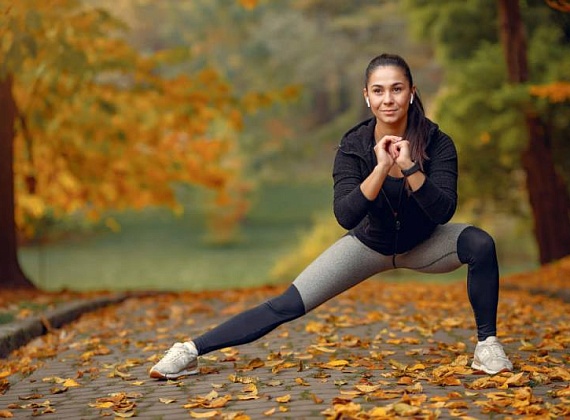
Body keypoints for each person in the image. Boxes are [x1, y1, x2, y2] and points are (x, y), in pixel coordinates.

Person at [149, 53, 513, 379]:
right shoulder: (353, 147)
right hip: (368, 244)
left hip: (426, 244)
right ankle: (190, 350)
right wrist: (381, 168)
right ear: (366, 96)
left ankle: (487, 346)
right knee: (287, 304)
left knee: (480, 243)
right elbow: (345, 214)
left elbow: (444, 210)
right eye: (379, 90)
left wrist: (410, 167)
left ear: (412, 92)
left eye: (397, 89)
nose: (389, 99)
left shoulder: (437, 142)